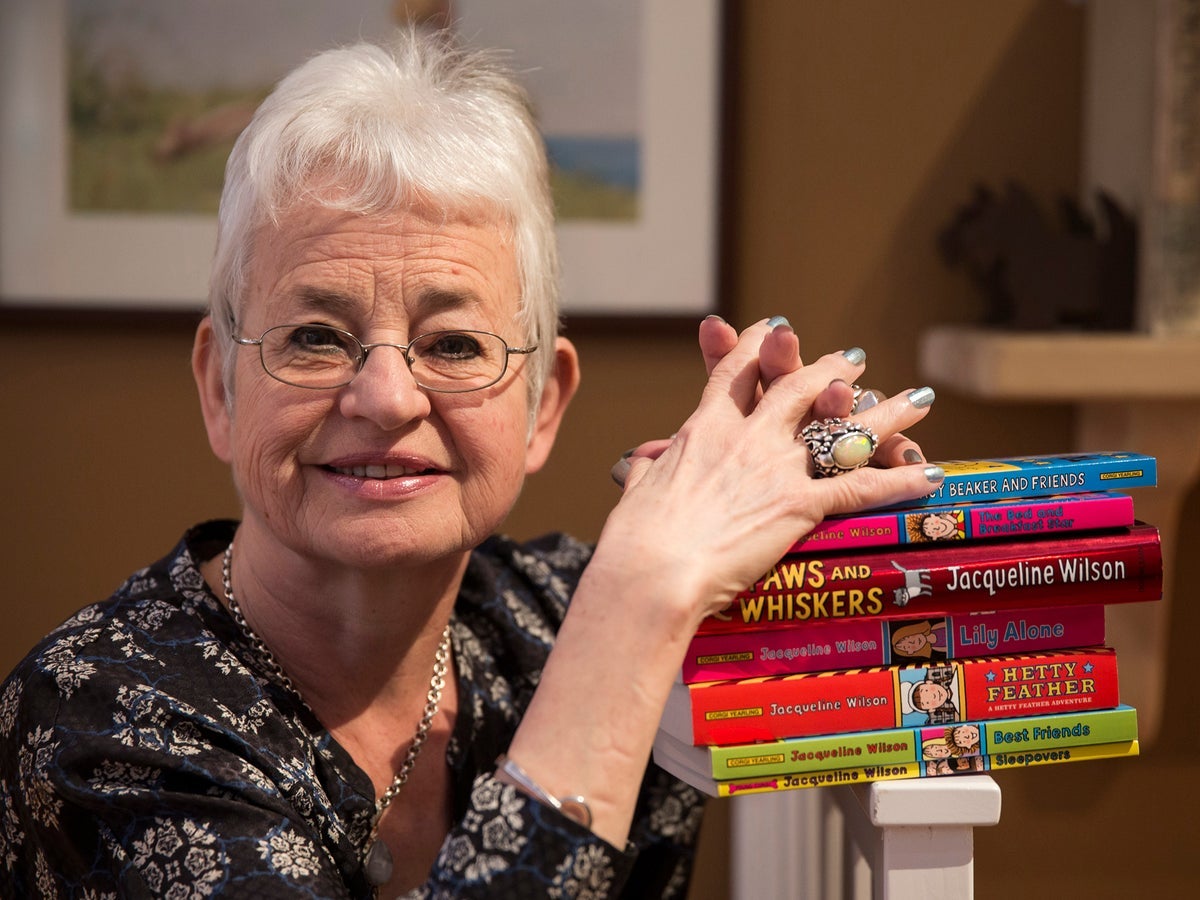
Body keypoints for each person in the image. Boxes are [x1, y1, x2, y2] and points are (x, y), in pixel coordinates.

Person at [0, 29, 942, 898]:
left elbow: (925, 659)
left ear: (545, 406)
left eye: (453, 346)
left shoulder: (567, 609)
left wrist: (854, 509)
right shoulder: (95, 720)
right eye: (317, 337)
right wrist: (638, 599)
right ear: (219, 388)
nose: (386, 398)